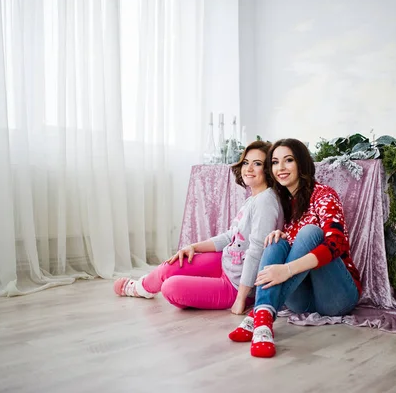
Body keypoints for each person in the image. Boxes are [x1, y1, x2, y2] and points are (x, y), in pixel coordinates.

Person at [113, 140, 284, 314]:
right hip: (225, 263)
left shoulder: (265, 202)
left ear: (268, 170)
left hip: (236, 285)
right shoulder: (253, 199)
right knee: (170, 266)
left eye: (257, 164)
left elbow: (257, 251)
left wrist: (240, 299)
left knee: (171, 288)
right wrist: (193, 247)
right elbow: (231, 236)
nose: (248, 168)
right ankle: (140, 288)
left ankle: (230, 295)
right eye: (246, 162)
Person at [228, 138, 363, 357]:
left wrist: (287, 270)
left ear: (301, 163)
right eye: (274, 162)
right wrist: (281, 237)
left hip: (336, 296)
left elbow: (337, 243)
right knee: (275, 239)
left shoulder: (323, 194)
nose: (280, 168)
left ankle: (258, 316)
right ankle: (263, 324)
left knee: (311, 232)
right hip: (301, 300)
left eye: (288, 160)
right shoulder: (282, 202)